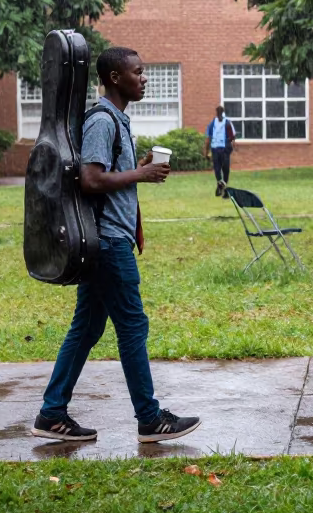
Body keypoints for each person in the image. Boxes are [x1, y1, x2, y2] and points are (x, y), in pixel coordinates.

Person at [33, 47, 200, 444]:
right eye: (138, 73)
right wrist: (140, 174)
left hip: (107, 240)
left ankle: (52, 412)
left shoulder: (116, 121)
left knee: (87, 328)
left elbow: (105, 174)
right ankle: (150, 418)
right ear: (113, 77)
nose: (144, 79)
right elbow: (90, 180)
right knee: (132, 326)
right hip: (108, 242)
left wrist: (135, 168)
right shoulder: (103, 121)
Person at [204, 106, 236, 197]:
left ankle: (222, 187)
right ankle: (222, 187)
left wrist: (206, 151)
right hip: (219, 149)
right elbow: (233, 138)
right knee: (222, 170)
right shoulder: (214, 123)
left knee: (220, 169)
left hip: (221, 149)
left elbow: (232, 137)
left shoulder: (226, 123)